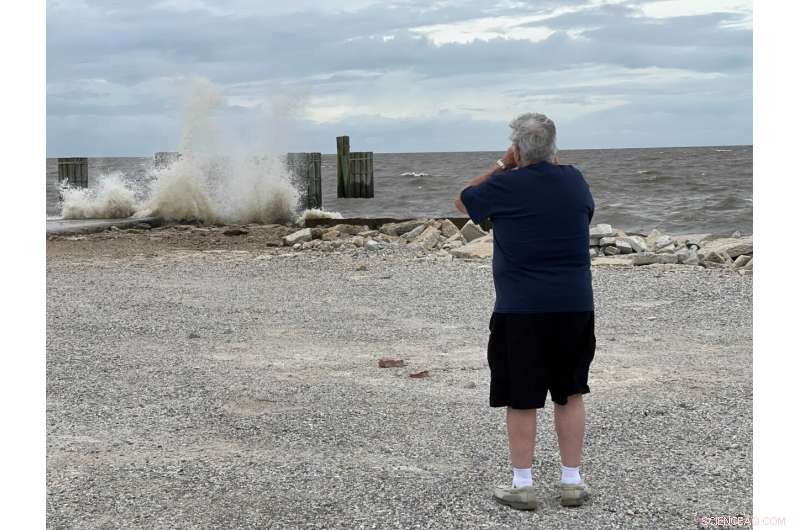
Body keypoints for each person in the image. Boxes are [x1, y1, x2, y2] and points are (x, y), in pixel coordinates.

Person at [454, 112, 595, 511]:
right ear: (553, 147)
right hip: (574, 303)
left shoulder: (505, 185)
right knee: (570, 391)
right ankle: (571, 480)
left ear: (516, 148)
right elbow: (584, 214)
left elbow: (464, 198)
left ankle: (523, 482)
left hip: (521, 308)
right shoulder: (575, 180)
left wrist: (502, 164)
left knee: (522, 397)